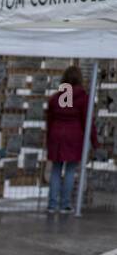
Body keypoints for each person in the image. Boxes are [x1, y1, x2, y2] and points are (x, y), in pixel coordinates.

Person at [46, 64, 97, 213]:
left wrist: (49, 137)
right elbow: (88, 120)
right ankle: (65, 204)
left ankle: (52, 204)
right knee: (70, 170)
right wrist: (94, 141)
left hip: (56, 135)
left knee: (56, 169)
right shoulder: (83, 98)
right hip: (74, 137)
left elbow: (49, 119)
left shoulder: (56, 98)